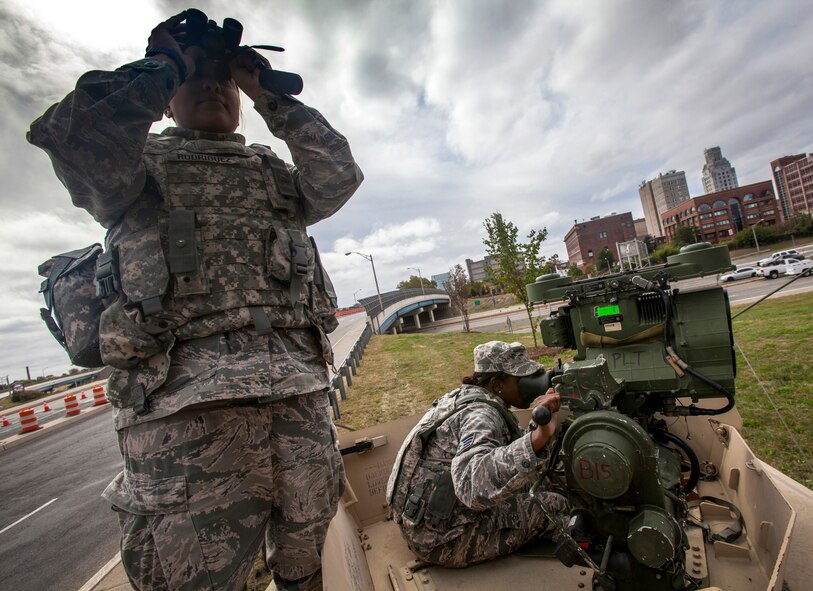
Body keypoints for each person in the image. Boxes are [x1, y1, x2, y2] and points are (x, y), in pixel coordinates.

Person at [27, 12, 362, 591]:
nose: (213, 87)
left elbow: (338, 175)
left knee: (305, 571)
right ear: (165, 101)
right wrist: (163, 63)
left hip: (299, 405)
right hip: (184, 421)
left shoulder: (273, 173)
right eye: (195, 78)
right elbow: (75, 136)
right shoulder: (134, 171)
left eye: (224, 79)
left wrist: (265, 92)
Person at [386, 341, 570, 568]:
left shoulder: (465, 398)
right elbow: (470, 483)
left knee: (541, 482)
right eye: (521, 379)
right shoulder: (482, 415)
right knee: (554, 505)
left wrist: (539, 433)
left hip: (425, 522)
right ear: (497, 384)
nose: (529, 384)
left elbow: (506, 451)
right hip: (443, 540)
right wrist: (536, 441)